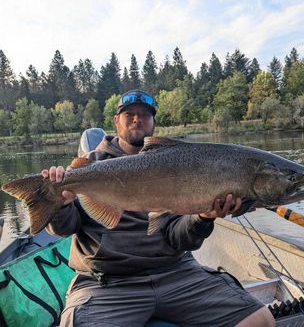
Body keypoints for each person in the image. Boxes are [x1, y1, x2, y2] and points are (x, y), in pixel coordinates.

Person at [42, 89, 275, 327]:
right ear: (116, 121)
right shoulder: (90, 167)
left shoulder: (180, 164)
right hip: (108, 283)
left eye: (145, 114)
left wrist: (205, 217)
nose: (137, 119)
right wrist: (60, 202)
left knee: (262, 321)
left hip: (176, 273)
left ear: (153, 122)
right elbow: (64, 228)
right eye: (129, 114)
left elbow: (178, 238)